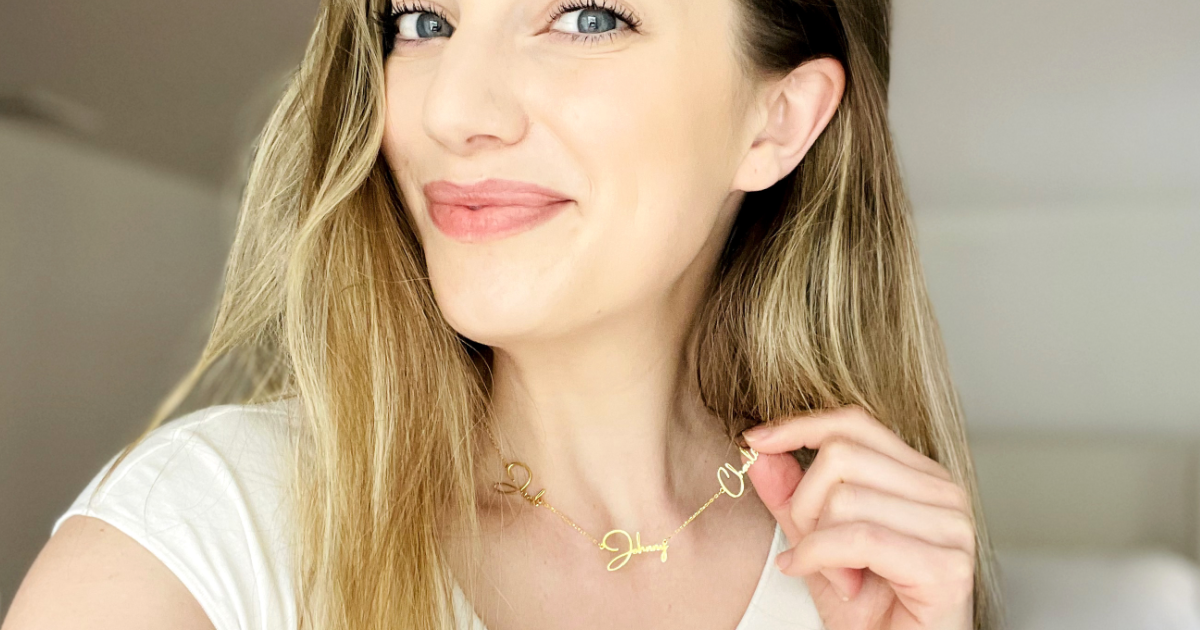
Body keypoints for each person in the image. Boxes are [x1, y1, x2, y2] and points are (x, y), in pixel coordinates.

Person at [2, 0, 1001, 628]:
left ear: (776, 122)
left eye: (588, 17)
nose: (453, 110)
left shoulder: (858, 571)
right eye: (422, 22)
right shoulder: (206, 527)